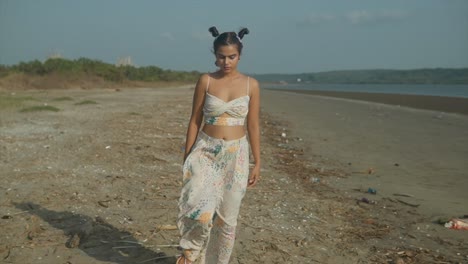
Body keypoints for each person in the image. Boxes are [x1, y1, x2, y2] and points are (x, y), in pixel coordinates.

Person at [176, 26, 261, 264]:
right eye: (221, 56)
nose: (226, 61)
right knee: (199, 210)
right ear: (215, 55)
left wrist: (257, 161)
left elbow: (253, 126)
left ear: (239, 56)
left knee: (227, 219)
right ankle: (190, 256)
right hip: (205, 151)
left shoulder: (250, 85)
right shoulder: (206, 80)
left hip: (237, 155)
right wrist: (187, 157)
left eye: (231, 57)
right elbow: (194, 121)